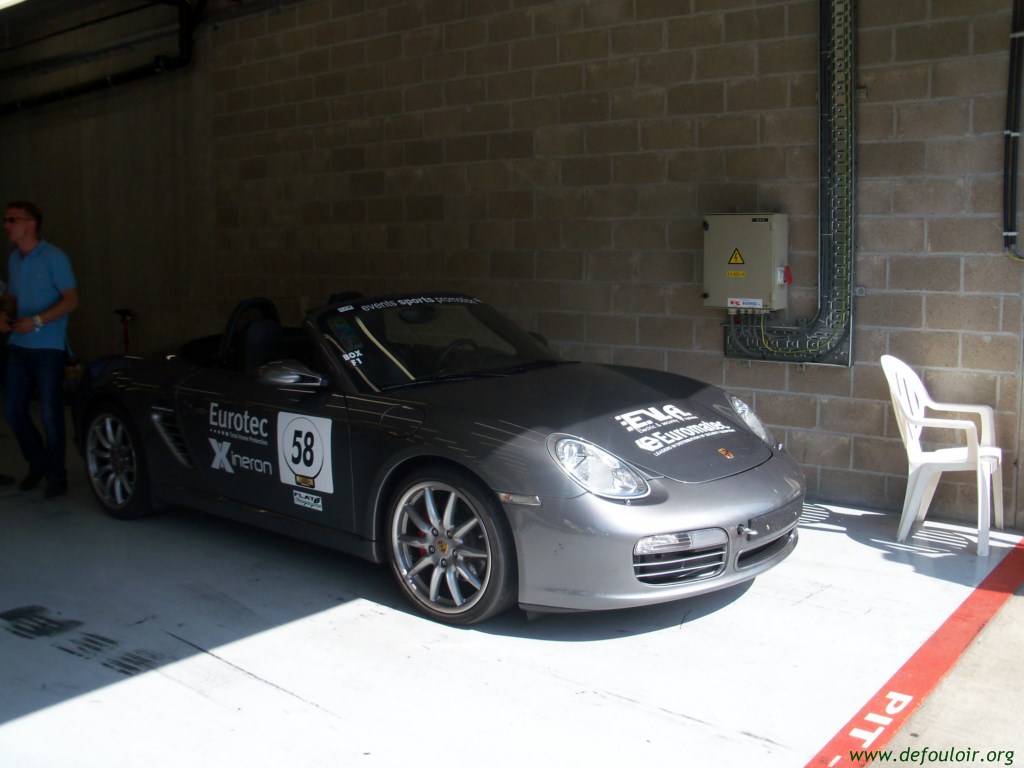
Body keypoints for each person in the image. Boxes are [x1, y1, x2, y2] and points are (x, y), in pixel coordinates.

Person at [0, 201, 78, 497]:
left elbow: (71, 299)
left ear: (30, 224)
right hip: (19, 345)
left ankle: (57, 476)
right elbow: (13, 296)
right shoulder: (15, 260)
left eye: (12, 219)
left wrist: (37, 321)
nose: (7, 225)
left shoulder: (55, 257)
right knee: (14, 410)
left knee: (49, 413)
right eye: (6, 219)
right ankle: (38, 462)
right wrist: (4, 313)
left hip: (48, 347)